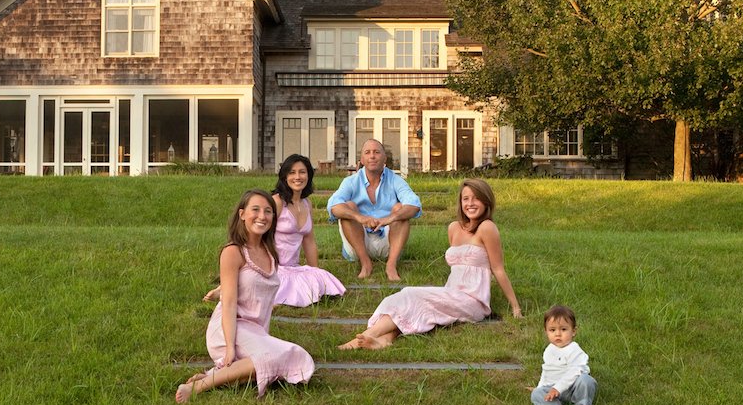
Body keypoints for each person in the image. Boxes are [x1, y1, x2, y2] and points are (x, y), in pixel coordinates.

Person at [338, 178, 522, 350]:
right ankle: (385, 339)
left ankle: (365, 336)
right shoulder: (454, 228)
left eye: (476, 199)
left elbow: (498, 269)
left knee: (411, 294)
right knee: (411, 302)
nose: (470, 203)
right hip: (452, 293)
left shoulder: (487, 228)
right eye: (466, 199)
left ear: (486, 201)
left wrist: (515, 308)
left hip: (472, 300)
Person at [176, 190, 314, 402]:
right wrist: (230, 347)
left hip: (255, 332)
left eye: (268, 211)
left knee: (292, 358)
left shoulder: (270, 252)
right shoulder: (233, 252)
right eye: (255, 210)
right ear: (242, 214)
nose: (262, 216)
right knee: (278, 357)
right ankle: (196, 388)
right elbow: (230, 303)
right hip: (229, 330)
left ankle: (215, 376)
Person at [203, 155, 346, 306]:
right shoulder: (276, 202)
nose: (297, 177)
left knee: (321, 282)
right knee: (274, 288)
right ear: (284, 176)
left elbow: (309, 241)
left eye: (302, 172)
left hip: (293, 267)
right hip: (272, 265)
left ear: (309, 175)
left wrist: (315, 274)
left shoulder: (306, 204)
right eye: (292, 172)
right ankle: (226, 287)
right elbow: (258, 236)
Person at [327, 139, 421, 280]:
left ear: (385, 158)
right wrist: (360, 218)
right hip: (358, 242)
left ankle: (391, 265)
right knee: (349, 207)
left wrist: (389, 218)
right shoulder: (351, 181)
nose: (372, 156)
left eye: (377, 152)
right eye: (367, 152)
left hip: (388, 242)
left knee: (400, 208)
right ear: (362, 160)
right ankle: (365, 263)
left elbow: (414, 204)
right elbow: (333, 206)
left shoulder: (396, 180)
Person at [530, 305, 597, 405]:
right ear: (546, 331)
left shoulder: (574, 350)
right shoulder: (549, 350)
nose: (558, 334)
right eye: (552, 330)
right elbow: (547, 372)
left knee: (586, 381)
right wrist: (540, 387)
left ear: (573, 331)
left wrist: (558, 388)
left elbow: (574, 372)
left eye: (563, 329)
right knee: (536, 394)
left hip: (572, 389)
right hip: (553, 390)